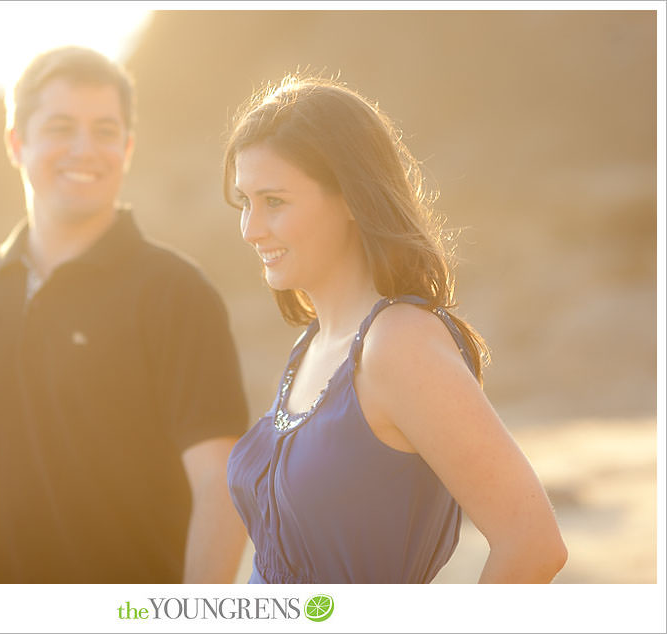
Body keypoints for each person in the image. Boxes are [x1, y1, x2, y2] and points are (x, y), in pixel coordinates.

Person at [224, 76, 568, 584]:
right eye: (244, 203)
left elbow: (533, 544)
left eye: (274, 201)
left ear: (350, 198)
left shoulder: (399, 343)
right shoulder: (312, 346)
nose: (252, 229)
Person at [0, 46, 249, 583]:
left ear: (127, 148)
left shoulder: (176, 294)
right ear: (17, 142)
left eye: (106, 131)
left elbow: (221, 486)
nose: (85, 149)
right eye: (61, 127)